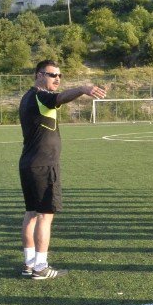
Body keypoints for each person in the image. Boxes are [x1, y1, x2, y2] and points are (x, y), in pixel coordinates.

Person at [18, 60, 106, 280]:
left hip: (29, 163)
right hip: (43, 165)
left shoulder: (27, 96)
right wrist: (83, 89)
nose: (57, 78)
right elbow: (60, 98)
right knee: (44, 217)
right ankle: (40, 267)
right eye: (52, 75)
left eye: (59, 75)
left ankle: (29, 263)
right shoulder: (39, 96)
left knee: (31, 214)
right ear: (39, 75)